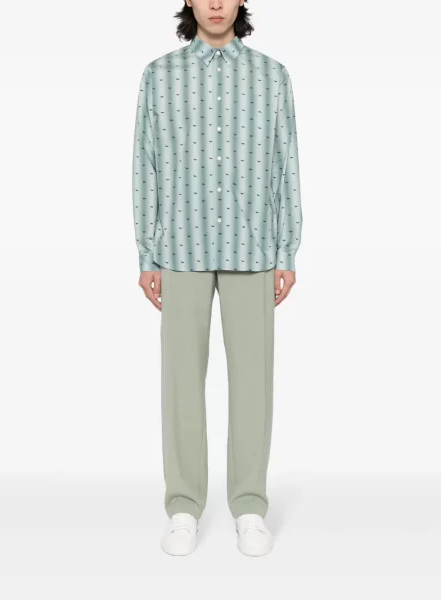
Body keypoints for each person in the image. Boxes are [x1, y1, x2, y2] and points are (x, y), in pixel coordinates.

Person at [132, 0, 302, 557]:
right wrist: (147, 253)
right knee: (181, 383)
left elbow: (285, 163)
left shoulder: (271, 76)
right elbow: (145, 165)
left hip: (253, 247)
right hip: (180, 247)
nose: (214, 3)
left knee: (253, 384)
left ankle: (250, 507)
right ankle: (183, 506)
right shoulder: (160, 76)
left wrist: (286, 248)